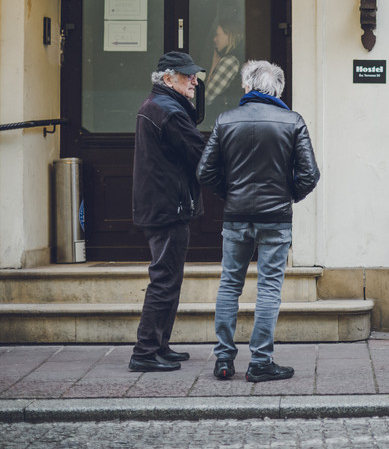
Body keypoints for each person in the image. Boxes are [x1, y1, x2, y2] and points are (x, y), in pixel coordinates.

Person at [198, 60, 320, 383]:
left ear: (248, 87)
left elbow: (204, 171)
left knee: (229, 285)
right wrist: (286, 195)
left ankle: (224, 360)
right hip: (276, 219)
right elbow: (310, 174)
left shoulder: (226, 120)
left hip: (236, 216)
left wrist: (232, 192)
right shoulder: (292, 121)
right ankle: (261, 362)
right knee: (269, 288)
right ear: (277, 88)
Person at [130, 51, 207, 372]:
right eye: (187, 75)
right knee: (164, 279)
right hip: (167, 208)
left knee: (169, 278)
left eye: (195, 75)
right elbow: (200, 153)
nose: (194, 80)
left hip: (161, 205)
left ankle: (160, 345)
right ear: (167, 79)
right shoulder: (168, 112)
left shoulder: (160, 106)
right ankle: (145, 352)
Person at [206, 20, 244, 116]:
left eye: (217, 35)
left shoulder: (230, 61)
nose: (214, 39)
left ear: (229, 35)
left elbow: (206, 98)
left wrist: (214, 63)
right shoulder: (238, 57)